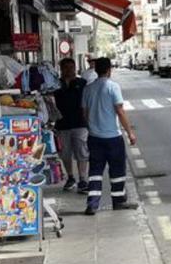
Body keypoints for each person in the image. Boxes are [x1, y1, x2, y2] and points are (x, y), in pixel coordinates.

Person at [81, 57, 138, 215]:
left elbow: (84, 114)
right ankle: (118, 201)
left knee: (95, 171)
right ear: (109, 70)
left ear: (95, 70)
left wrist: (92, 127)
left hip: (94, 137)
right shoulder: (113, 87)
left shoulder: (88, 89)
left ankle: (92, 204)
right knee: (117, 171)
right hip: (113, 137)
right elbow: (120, 111)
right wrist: (130, 133)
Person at [52, 58, 90, 194]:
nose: (69, 70)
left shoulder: (82, 83)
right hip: (62, 125)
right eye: (66, 67)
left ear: (75, 68)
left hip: (80, 123)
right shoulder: (55, 85)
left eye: (71, 67)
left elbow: (88, 104)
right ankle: (70, 177)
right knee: (65, 154)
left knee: (82, 152)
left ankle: (83, 179)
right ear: (61, 69)